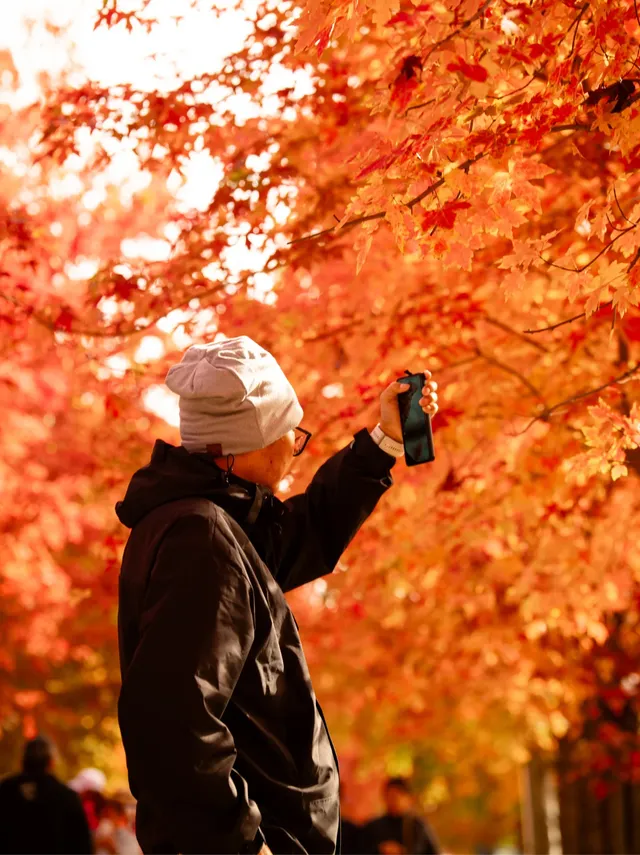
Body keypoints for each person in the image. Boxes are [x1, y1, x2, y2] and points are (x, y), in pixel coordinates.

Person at [116, 336, 439, 855]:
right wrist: (243, 844)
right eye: (289, 431)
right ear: (243, 444)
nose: (294, 443)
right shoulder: (199, 541)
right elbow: (174, 722)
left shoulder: (211, 522)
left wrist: (383, 442)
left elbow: (301, 538)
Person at [0, 735, 94, 854]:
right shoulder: (65, 796)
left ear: (23, 760)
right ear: (51, 762)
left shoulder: (5, 790)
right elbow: (82, 844)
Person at [364, 777, 440, 855]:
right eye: (390, 796)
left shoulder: (417, 826)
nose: (394, 801)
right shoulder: (374, 826)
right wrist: (380, 849)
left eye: (397, 796)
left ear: (408, 798)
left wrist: (402, 851)